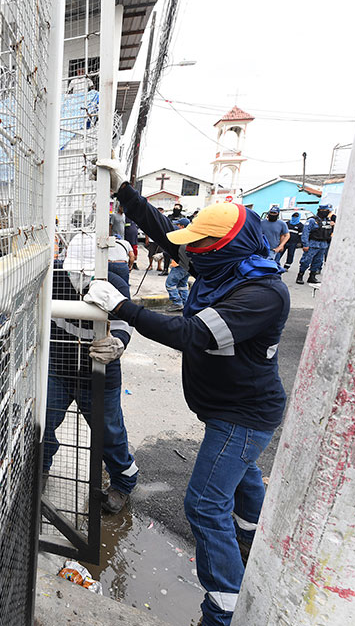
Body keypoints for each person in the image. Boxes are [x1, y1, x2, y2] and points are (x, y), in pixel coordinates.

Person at [89, 159, 289, 626]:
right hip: (226, 409)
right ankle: (248, 539)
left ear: (222, 247)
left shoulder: (262, 293)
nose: (188, 255)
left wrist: (124, 308)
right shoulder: (225, 268)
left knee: (203, 503)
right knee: (243, 477)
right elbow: (167, 234)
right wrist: (128, 194)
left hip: (242, 415)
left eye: (199, 248)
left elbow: (192, 334)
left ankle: (221, 610)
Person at [44, 260, 137, 513]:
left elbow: (125, 321)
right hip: (59, 368)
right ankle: (41, 465)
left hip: (99, 371)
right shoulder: (55, 277)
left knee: (109, 432)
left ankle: (123, 482)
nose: (78, 277)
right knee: (43, 420)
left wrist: (118, 342)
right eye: (74, 271)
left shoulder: (113, 284)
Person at [296, 203, 334, 285]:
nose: (328, 213)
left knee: (318, 261)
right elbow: (305, 233)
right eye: (326, 211)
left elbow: (330, 232)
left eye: (329, 211)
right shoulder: (312, 221)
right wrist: (305, 244)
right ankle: (300, 275)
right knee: (306, 261)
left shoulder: (328, 221)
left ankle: (312, 277)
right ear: (321, 210)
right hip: (313, 243)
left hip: (323, 244)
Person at [165, 218, 192, 312]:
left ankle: (177, 303)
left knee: (170, 284)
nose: (176, 227)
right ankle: (185, 303)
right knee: (182, 284)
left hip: (180, 265)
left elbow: (176, 250)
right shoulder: (190, 236)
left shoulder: (182, 237)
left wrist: (162, 254)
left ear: (182, 226)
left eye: (178, 225)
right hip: (188, 267)